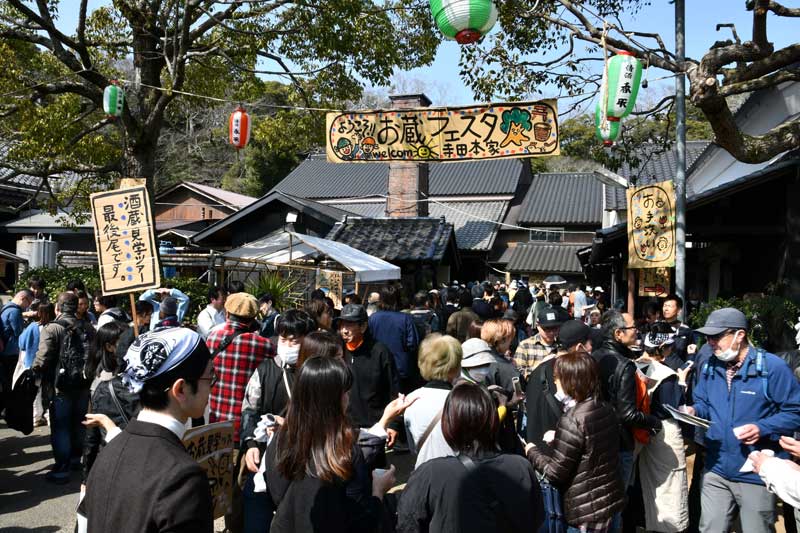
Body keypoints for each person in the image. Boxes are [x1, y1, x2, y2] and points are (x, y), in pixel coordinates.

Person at [80, 327, 215, 532]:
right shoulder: (182, 476)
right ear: (180, 389)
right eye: (209, 378)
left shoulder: (110, 451)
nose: (212, 387)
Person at [686, 307, 800, 533]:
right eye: (708, 337)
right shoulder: (709, 366)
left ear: (740, 335)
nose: (710, 342)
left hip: (755, 472)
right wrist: (693, 411)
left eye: (717, 336)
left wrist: (763, 427)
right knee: (709, 528)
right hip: (715, 467)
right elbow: (704, 404)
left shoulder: (771, 368)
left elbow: (795, 411)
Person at [263, 356, 399, 533]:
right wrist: (378, 491)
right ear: (332, 400)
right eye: (345, 393)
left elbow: (275, 494)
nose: (348, 398)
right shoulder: (344, 451)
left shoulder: (279, 439)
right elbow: (362, 521)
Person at [397, 381, 544, 533]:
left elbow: (407, 525)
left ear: (449, 423)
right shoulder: (521, 467)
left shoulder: (430, 474)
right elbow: (536, 519)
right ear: (493, 420)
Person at [526, 351, 624, 533]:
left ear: (571, 381)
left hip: (586, 510)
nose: (555, 382)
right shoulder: (605, 408)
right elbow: (590, 450)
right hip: (608, 501)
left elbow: (555, 473)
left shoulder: (572, 420)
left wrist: (532, 451)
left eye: (557, 378)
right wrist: (559, 440)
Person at [240, 309, 317, 533]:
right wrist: (251, 445)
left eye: (295, 340)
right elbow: (249, 410)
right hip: (267, 458)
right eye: (284, 338)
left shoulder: (315, 373)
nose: (288, 344)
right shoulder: (265, 370)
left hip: (305, 462)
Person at [591, 310, 662, 491]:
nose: (636, 331)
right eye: (632, 327)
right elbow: (628, 414)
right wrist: (655, 422)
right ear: (618, 334)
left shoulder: (593, 357)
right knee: (617, 499)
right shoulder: (624, 365)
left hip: (596, 437)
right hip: (620, 443)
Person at [31, 292, 95, 483]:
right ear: (77, 307)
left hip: (60, 386)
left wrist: (34, 372)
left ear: (58, 307)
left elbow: (42, 358)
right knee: (78, 423)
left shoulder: (52, 328)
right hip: (83, 384)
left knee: (61, 427)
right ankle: (76, 460)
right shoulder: (89, 328)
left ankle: (61, 469)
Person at [636, 323, 690, 532]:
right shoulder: (666, 374)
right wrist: (682, 384)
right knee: (671, 484)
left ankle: (648, 523)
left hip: (641, 429)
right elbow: (673, 407)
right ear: (663, 348)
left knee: (646, 481)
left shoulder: (635, 366)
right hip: (664, 432)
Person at [208, 292, 274, 440]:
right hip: (247, 425)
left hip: (216, 421)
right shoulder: (265, 345)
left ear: (227, 313)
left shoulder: (212, 338)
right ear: (253, 319)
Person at [81, 321, 140, 485]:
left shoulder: (132, 372)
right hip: (115, 453)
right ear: (109, 347)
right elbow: (92, 435)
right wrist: (86, 479)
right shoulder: (104, 382)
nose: (132, 346)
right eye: (125, 342)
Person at [339, 303, 400, 434]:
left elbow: (394, 389)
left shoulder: (380, 352)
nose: (344, 330)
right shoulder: (338, 351)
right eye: (342, 325)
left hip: (375, 426)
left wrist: (393, 424)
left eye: (349, 325)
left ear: (363, 326)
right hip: (345, 426)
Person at [404, 334, 462, 467]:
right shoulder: (461, 399)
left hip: (423, 472)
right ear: (454, 365)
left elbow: (413, 447)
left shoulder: (410, 399)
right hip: (458, 473)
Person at [368, 285, 420, 393]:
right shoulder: (406, 319)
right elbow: (413, 344)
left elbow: (368, 341)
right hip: (401, 368)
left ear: (380, 300)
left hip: (378, 367)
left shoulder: (373, 318)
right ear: (398, 299)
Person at [19, 302, 55, 427]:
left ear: (39, 313)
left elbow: (22, 344)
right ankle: (51, 417)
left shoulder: (32, 326)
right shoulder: (55, 326)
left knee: (36, 391)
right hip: (51, 364)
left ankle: (36, 417)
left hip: (34, 363)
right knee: (51, 392)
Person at [0, 289, 32, 415]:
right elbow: (19, 333)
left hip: (4, 351)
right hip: (11, 352)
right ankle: (9, 409)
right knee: (11, 381)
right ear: (23, 298)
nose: (27, 306)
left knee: (6, 381)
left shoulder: (5, 308)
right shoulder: (15, 311)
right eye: (28, 302)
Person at [513, 307, 563, 381]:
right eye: (547, 329)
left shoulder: (562, 345)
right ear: (538, 326)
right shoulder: (525, 346)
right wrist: (540, 367)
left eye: (555, 328)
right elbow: (517, 373)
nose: (551, 332)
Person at [481, 318, 520, 395]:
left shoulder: (477, 357)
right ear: (502, 340)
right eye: (510, 338)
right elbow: (516, 393)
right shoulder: (505, 366)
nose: (511, 342)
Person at [661, 294, 696, 366]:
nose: (666, 309)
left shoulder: (686, 331)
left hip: (678, 371)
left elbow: (690, 354)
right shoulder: (656, 328)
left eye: (669, 306)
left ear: (679, 311)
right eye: (665, 305)